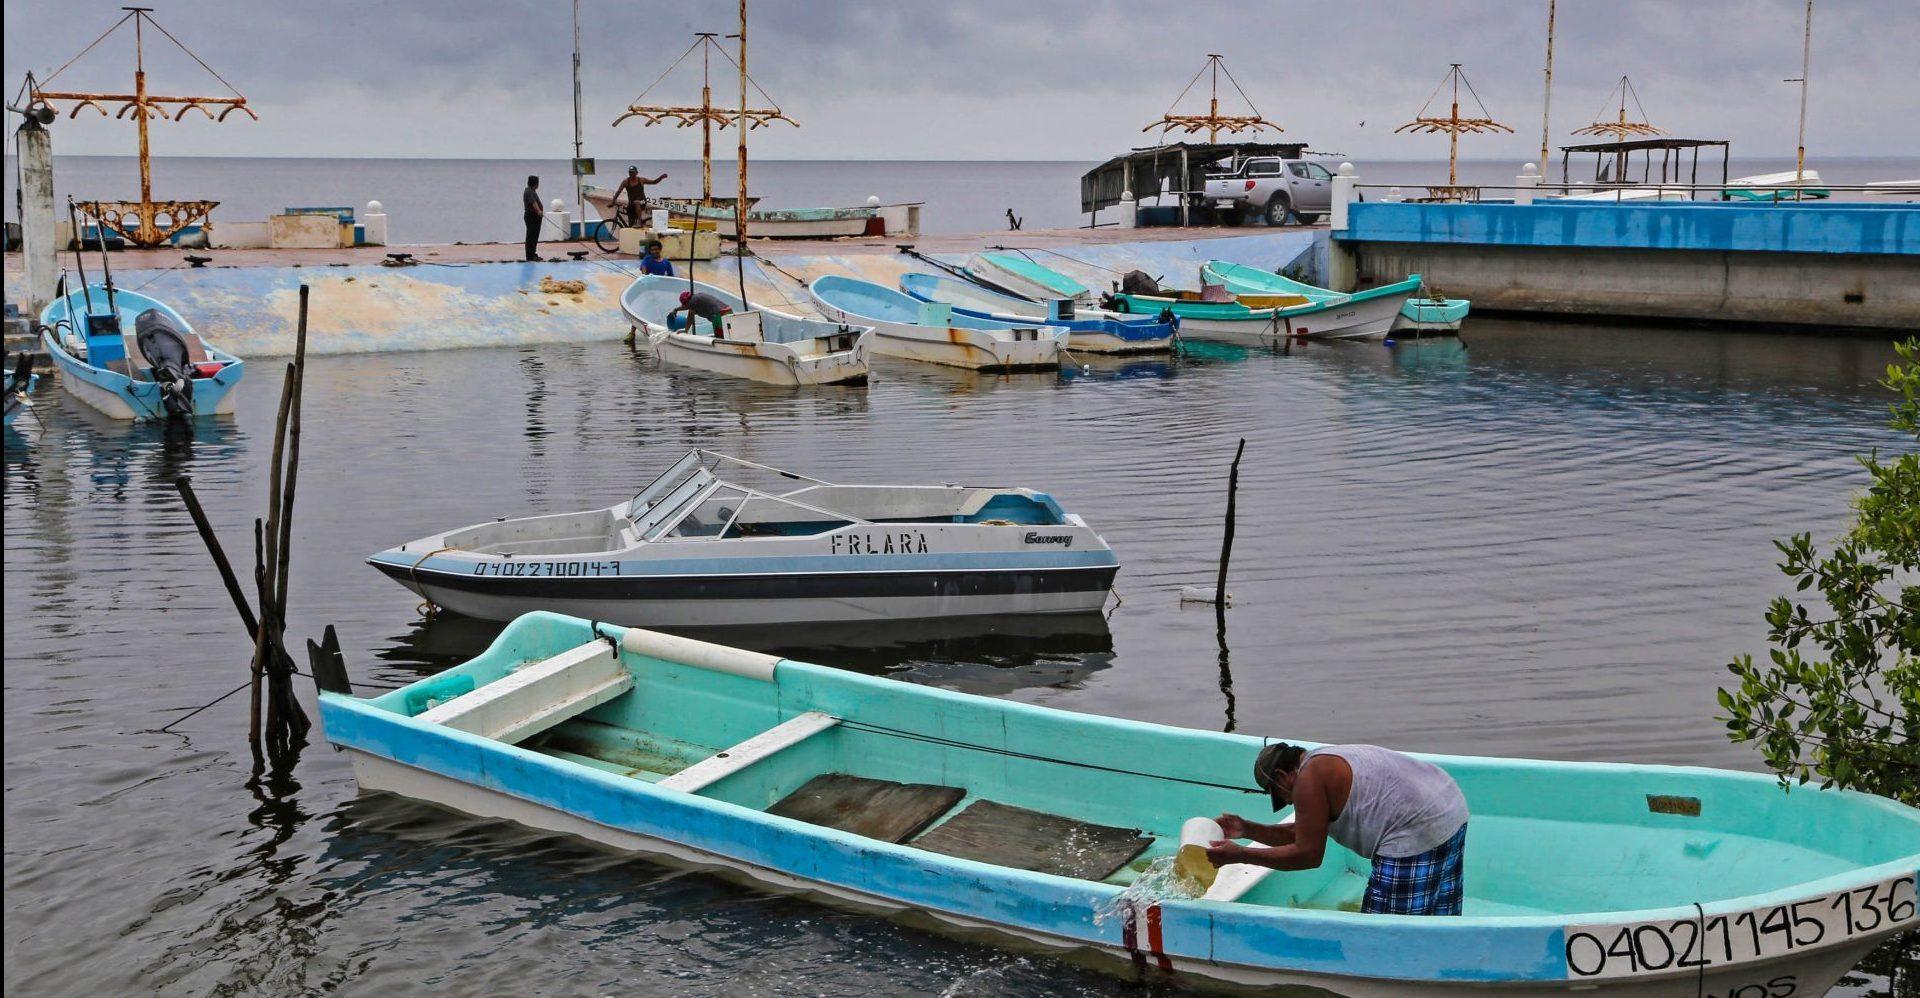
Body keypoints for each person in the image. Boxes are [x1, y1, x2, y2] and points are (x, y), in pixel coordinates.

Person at [1207, 742, 1469, 916]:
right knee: (1435, 920)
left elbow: (1308, 855)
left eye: (1279, 794)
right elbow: (1301, 833)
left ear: (1281, 775)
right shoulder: (1323, 761)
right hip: (1450, 809)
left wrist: (1239, 855)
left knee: (1383, 932)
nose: (1288, 801)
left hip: (1415, 830)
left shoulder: (1309, 779)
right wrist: (1246, 829)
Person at [666, 289, 730, 336]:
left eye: (684, 304)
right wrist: (676, 309)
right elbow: (688, 311)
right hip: (726, 312)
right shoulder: (695, 300)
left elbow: (689, 315)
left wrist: (686, 330)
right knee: (727, 334)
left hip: (721, 316)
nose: (683, 306)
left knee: (722, 337)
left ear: (687, 301)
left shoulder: (693, 301)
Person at [522, 175, 543, 262]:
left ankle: (533, 254)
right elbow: (533, 202)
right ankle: (530, 256)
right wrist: (539, 211)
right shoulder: (529, 191)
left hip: (535, 217)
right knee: (531, 236)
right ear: (535, 183)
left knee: (534, 236)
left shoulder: (531, 191)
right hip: (532, 216)